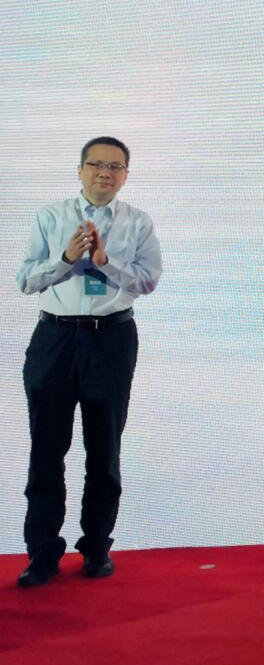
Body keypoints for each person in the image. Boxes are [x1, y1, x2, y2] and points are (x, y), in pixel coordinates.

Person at [16, 136, 162, 587]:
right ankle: (43, 553)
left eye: (115, 167)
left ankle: (97, 548)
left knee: (104, 450)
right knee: (46, 450)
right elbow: (26, 280)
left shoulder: (137, 222)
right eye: (96, 164)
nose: (105, 173)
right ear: (80, 170)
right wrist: (66, 258)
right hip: (55, 338)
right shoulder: (50, 217)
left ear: (125, 175)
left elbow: (148, 281)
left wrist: (105, 260)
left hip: (111, 339)